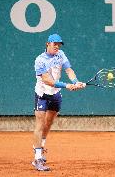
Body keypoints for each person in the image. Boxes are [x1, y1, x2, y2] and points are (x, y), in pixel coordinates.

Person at [32, 34, 86, 171]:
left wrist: (75, 82)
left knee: (49, 122)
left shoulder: (61, 54)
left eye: (59, 44)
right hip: (42, 94)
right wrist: (67, 85)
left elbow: (69, 70)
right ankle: (37, 158)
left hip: (55, 94)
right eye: (54, 43)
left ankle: (41, 145)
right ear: (47, 44)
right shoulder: (40, 60)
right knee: (40, 124)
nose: (57, 46)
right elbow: (47, 80)